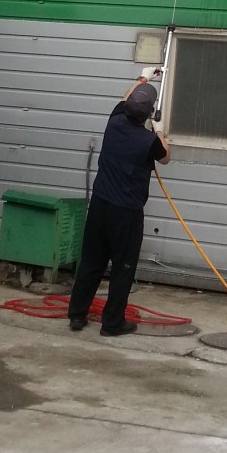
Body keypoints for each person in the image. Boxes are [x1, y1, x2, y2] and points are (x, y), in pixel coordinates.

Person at [67, 75, 171, 337]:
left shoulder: (113, 122)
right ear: (149, 113)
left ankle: (77, 315)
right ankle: (112, 323)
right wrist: (159, 129)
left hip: (100, 205)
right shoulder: (148, 142)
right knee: (123, 268)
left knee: (91, 261)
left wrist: (142, 77)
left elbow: (124, 99)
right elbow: (166, 157)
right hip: (126, 214)